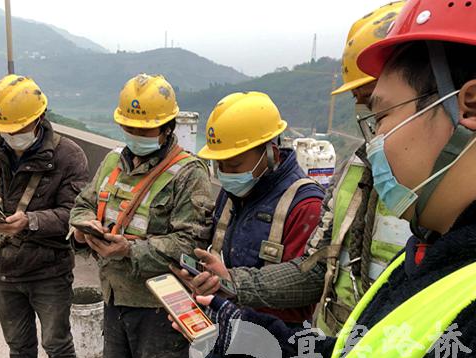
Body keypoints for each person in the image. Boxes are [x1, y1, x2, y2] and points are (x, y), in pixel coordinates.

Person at [187, 0, 476, 358]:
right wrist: (234, 309)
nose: (374, 139)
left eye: (379, 114)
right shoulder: (420, 250)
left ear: (471, 106)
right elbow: (345, 336)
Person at [174, 1, 411, 337]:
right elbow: (315, 271)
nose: (366, 114)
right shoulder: (355, 173)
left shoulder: (304, 202)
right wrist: (231, 282)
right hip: (338, 352)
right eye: (359, 101)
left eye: (374, 100)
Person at [69, 73, 214, 358]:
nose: (135, 136)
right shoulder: (112, 161)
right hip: (115, 298)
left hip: (160, 308)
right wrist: (83, 226)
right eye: (129, 128)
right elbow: (83, 203)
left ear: (167, 128)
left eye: (144, 130)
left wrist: (129, 251)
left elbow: (191, 245)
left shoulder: (189, 173)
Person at [188, 91, 324, 358]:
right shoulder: (232, 194)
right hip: (222, 335)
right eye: (219, 166)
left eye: (234, 164)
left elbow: (306, 284)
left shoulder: (305, 204)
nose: (226, 174)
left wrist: (232, 281)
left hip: (274, 353)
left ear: (271, 152)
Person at [0, 75, 89, 358]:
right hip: (1, 270)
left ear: (38, 118)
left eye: (16, 128)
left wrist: (30, 222)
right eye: (4, 129)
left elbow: (75, 214)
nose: (10, 135)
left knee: (56, 342)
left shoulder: (68, 155)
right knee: (18, 342)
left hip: (48, 272)